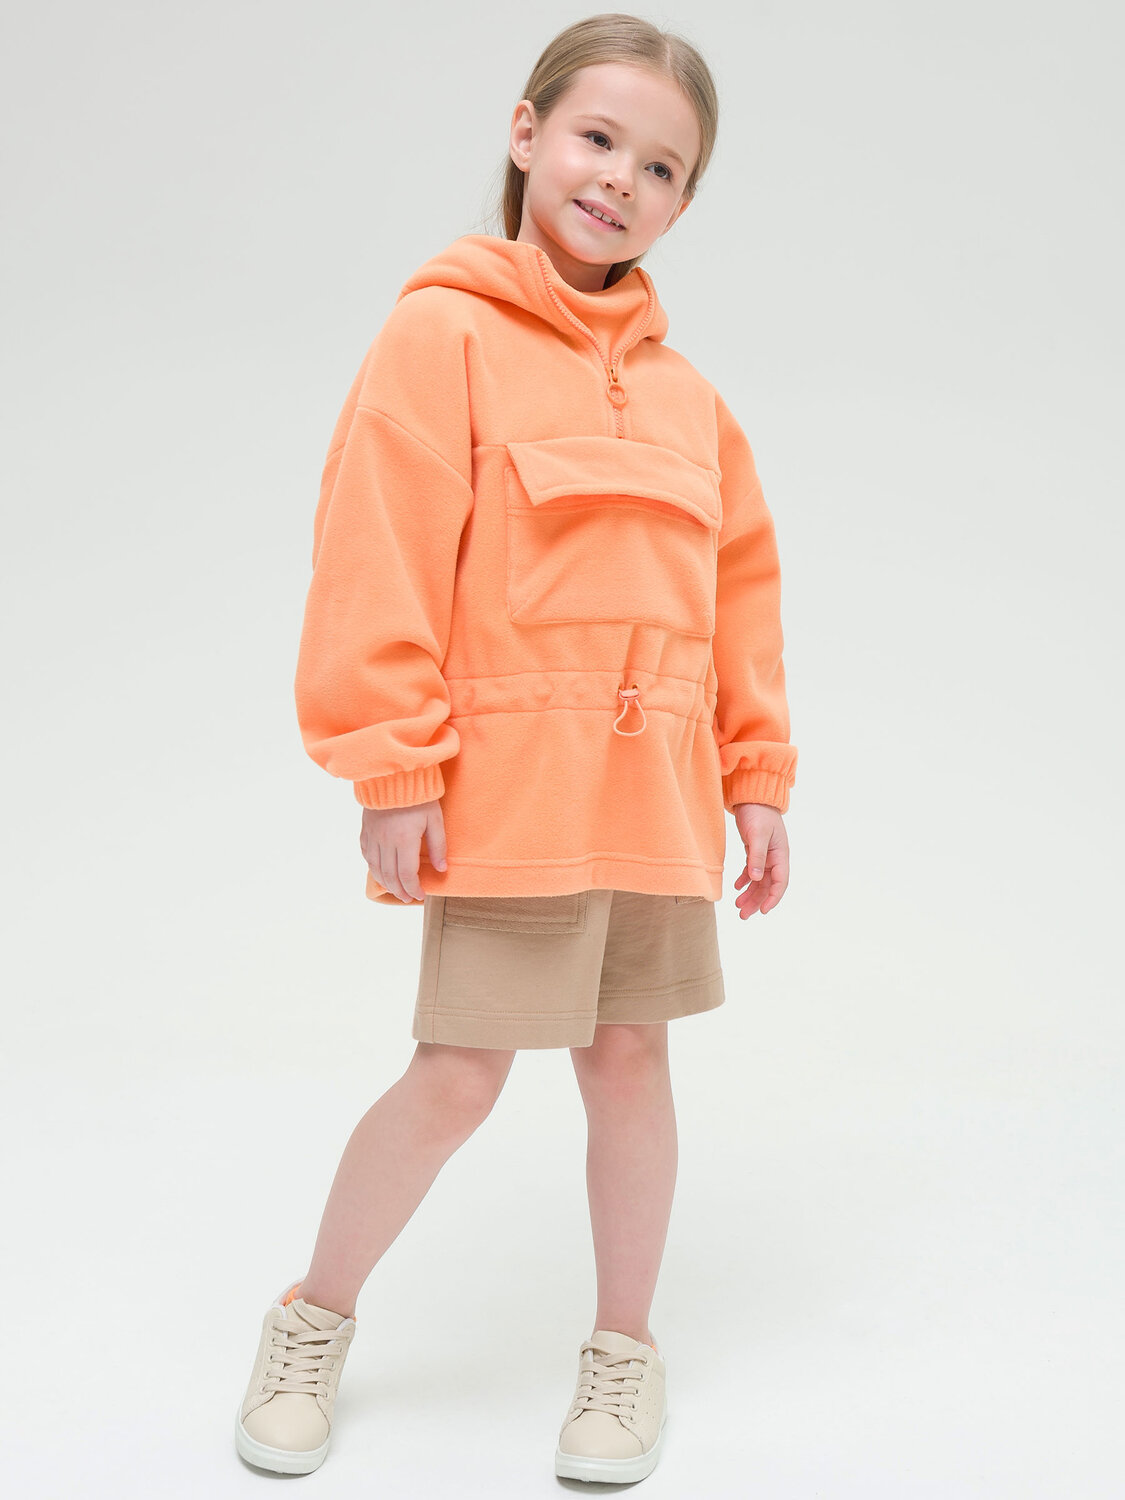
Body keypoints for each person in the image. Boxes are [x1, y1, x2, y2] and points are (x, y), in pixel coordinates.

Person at [235, 12, 798, 1485]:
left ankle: (623, 1356)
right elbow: (377, 554)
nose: (620, 179)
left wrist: (755, 778)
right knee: (458, 1076)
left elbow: (740, 599)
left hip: (655, 792)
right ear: (527, 132)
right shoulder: (443, 335)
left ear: (683, 204)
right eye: (599, 138)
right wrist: (393, 768)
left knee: (631, 1063)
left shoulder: (691, 402)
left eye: (661, 166)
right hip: (511, 791)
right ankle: (311, 1318)